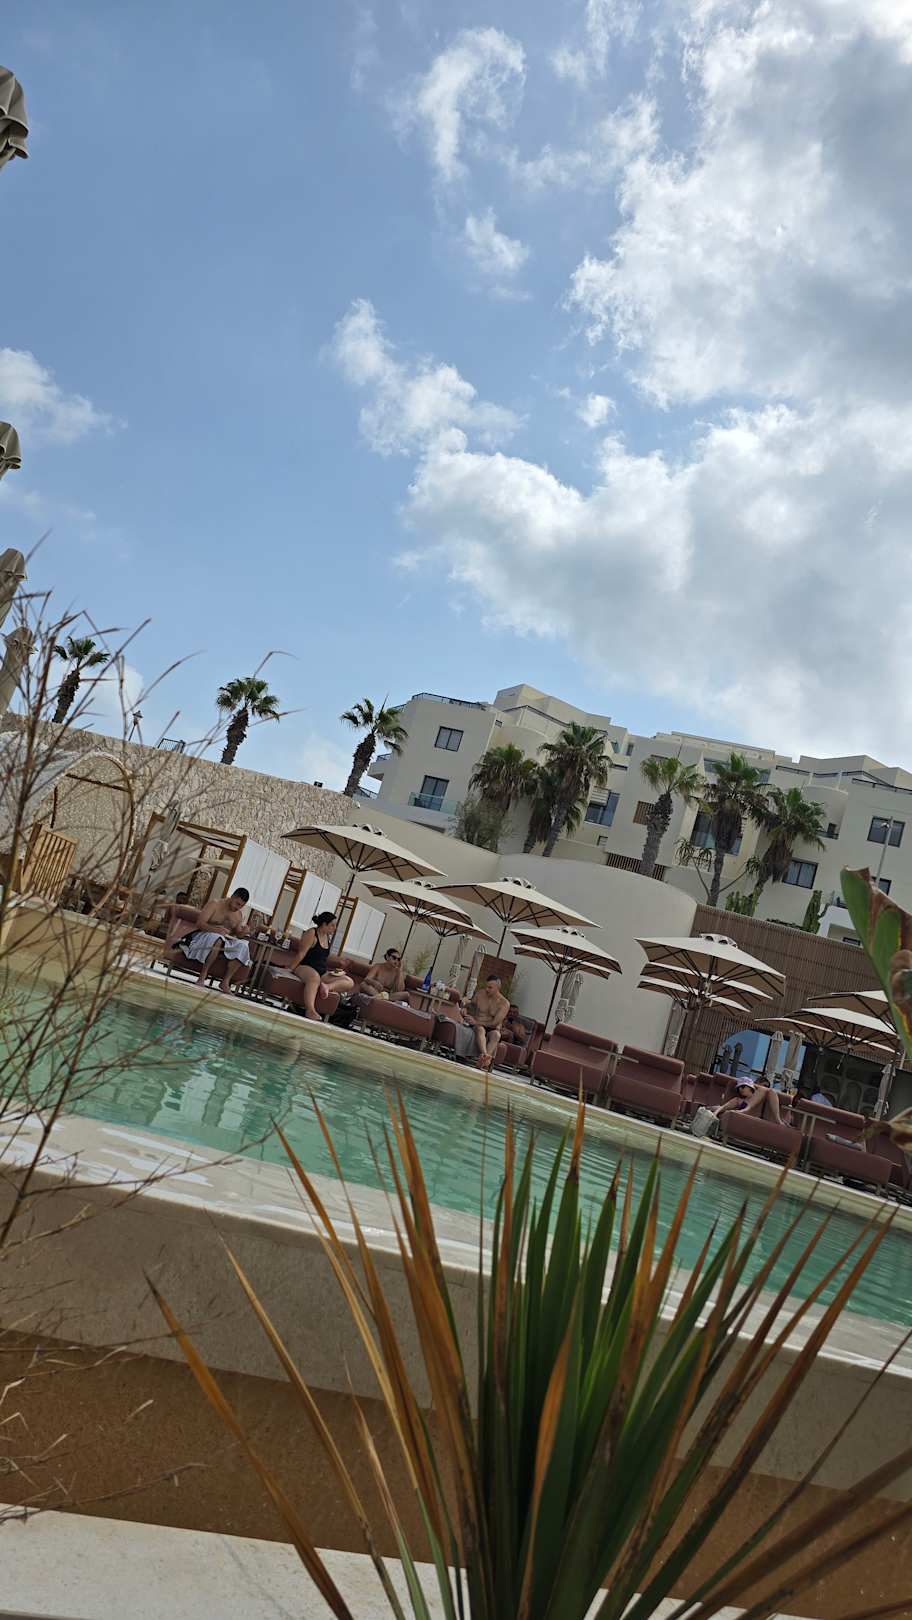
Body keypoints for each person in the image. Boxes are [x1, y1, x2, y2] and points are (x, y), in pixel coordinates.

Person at [174, 888, 253, 992]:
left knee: (243, 945)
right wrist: (215, 930)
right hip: (204, 936)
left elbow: (238, 935)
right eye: (237, 904)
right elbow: (200, 924)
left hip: (225, 941)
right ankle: (202, 976)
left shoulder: (238, 914)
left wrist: (244, 932)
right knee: (217, 939)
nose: (238, 907)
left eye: (241, 906)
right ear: (232, 896)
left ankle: (225, 982)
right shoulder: (214, 904)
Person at [280, 911, 355, 1021]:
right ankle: (310, 1010)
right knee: (314, 978)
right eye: (332, 925)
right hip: (304, 967)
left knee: (349, 981)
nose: (335, 928)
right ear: (324, 924)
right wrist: (290, 968)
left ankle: (327, 987)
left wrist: (340, 961)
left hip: (321, 971)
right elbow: (301, 953)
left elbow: (324, 956)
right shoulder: (311, 933)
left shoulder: (327, 937)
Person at [466, 974, 509, 1071]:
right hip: (479, 1025)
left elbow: (494, 1023)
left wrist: (476, 1022)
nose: (487, 989)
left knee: (496, 1035)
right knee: (480, 1029)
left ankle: (483, 1060)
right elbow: (471, 1007)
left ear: (498, 988)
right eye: (486, 986)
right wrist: (466, 1009)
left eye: (490, 988)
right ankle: (485, 1056)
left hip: (491, 1027)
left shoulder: (504, 1003)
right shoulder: (480, 994)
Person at [715, 1077, 788, 1125]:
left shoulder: (766, 1096)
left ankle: (778, 1120)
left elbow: (769, 1091)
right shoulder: (738, 1100)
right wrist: (715, 1112)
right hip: (744, 1115)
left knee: (768, 1091)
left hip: (756, 1116)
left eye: (743, 1087)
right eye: (739, 1088)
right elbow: (723, 1107)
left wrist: (778, 1120)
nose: (740, 1089)